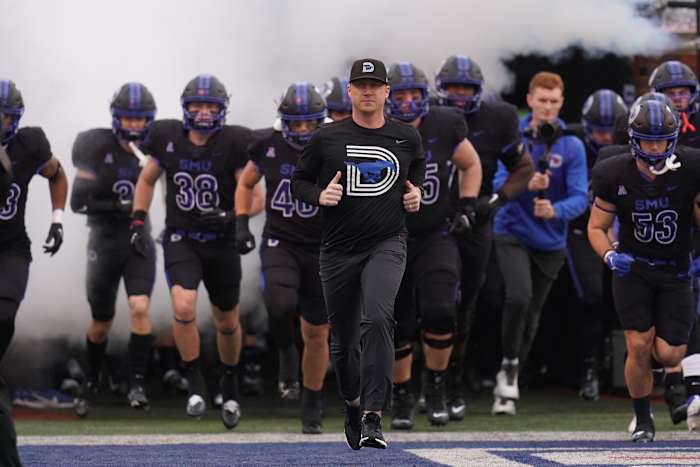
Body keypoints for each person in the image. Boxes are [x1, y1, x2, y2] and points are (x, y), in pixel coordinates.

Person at [292, 58, 425, 450]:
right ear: (349, 91)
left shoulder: (406, 137)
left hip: (387, 242)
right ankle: (351, 403)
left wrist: (414, 193)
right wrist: (320, 196)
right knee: (344, 343)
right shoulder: (325, 138)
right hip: (337, 249)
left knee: (379, 317)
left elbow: (415, 170)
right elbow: (298, 180)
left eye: (375, 85)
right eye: (360, 84)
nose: (368, 91)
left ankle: (373, 415)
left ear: (387, 92)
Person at [132, 74, 255, 429]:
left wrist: (233, 217)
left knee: (226, 320)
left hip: (221, 241)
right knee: (183, 305)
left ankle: (229, 381)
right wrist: (138, 220)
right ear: (185, 109)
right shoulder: (167, 138)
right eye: (197, 106)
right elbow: (146, 179)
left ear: (222, 110)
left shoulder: (234, 143)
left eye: (211, 106)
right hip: (182, 237)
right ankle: (196, 383)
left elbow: (255, 194)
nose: (203, 113)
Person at [589, 99, 700, 441]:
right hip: (632, 267)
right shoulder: (612, 170)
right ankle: (643, 419)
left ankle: (670, 382)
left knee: (670, 352)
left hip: (676, 268)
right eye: (648, 139)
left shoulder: (692, 166)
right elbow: (596, 226)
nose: (655, 146)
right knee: (638, 344)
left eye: (661, 139)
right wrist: (609, 256)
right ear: (634, 139)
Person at [434, 54, 533, 418]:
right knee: (421, 304)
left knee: (468, 305)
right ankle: (414, 387)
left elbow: (523, 168)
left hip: (474, 219)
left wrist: (498, 198)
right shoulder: (424, 115)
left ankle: (453, 381)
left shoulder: (499, 117)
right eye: (454, 88)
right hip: (430, 221)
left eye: (467, 88)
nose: (460, 95)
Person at [384, 62, 482, 429]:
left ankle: (436, 386)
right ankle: (403, 392)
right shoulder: (369, 130)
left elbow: (470, 164)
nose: (408, 103)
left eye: (414, 95)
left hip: (435, 233)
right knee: (398, 321)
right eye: (401, 95)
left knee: (442, 309)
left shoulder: (444, 123)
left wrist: (468, 204)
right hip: (388, 237)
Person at [236, 82, 331, 434]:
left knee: (318, 333)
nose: (303, 130)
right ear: (283, 120)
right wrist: (241, 222)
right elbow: (246, 183)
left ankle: (312, 401)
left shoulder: (338, 146)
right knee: (279, 304)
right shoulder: (267, 144)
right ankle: (287, 354)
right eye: (296, 123)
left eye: (309, 123)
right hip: (281, 240)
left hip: (323, 246)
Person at [491, 71, 588, 416]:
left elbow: (581, 197)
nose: (547, 107)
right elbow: (498, 183)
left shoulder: (572, 145)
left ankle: (510, 367)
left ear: (561, 103)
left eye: (553, 101)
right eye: (541, 100)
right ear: (529, 100)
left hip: (551, 240)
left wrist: (554, 209)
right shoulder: (511, 134)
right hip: (512, 230)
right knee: (518, 296)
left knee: (532, 315)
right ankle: (507, 375)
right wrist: (526, 184)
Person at [70, 83, 157, 415]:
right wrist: (120, 205)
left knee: (139, 308)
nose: (134, 125)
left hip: (138, 241)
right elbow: (78, 201)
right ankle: (91, 379)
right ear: (116, 117)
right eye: (128, 118)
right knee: (101, 322)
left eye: (140, 119)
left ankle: (136, 383)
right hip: (104, 242)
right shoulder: (95, 145)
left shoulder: (155, 148)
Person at [0, 80, 68, 466]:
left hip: (10, 248)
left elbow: (56, 174)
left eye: (5, 114)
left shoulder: (29, 145)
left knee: (4, 314)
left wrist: (58, 219)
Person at [565, 89, 628, 401]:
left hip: (623, 229)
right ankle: (588, 367)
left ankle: (622, 363)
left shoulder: (636, 146)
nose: (603, 137)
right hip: (583, 228)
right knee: (590, 296)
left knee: (626, 298)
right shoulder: (573, 142)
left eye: (609, 130)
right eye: (598, 129)